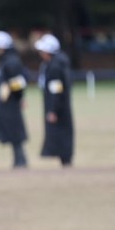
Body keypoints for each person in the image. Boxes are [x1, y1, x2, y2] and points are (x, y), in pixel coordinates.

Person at [0, 31, 29, 168]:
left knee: (15, 132)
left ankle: (21, 161)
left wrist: (18, 96)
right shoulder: (5, 61)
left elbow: (19, 82)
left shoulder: (11, 62)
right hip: (6, 104)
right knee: (11, 132)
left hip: (11, 103)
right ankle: (18, 161)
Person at [34, 34, 74, 167]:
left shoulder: (55, 68)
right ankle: (64, 160)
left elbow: (56, 90)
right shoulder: (54, 65)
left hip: (58, 107)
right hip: (60, 106)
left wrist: (53, 109)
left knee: (61, 133)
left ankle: (65, 161)